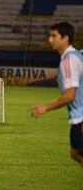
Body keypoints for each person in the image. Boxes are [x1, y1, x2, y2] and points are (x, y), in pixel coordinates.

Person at [31, 21, 83, 167]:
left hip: (81, 118)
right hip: (77, 118)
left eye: (54, 36)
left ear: (65, 38)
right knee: (75, 153)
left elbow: (70, 96)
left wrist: (45, 108)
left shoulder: (69, 60)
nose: (50, 40)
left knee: (78, 153)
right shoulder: (75, 55)